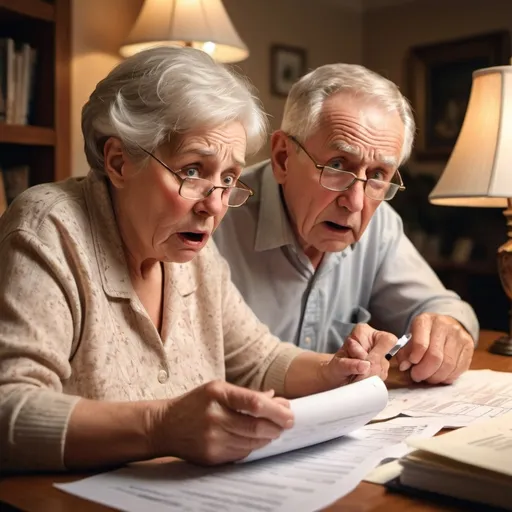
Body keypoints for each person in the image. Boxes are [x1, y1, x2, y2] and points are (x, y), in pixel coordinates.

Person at [0, 48, 397, 474]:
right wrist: (160, 427)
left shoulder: (192, 253)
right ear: (118, 161)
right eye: (193, 170)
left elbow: (258, 358)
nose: (215, 206)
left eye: (228, 179)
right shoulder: (49, 227)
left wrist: (337, 369)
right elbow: (10, 407)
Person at [214, 63, 478, 387]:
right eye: (338, 166)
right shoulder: (213, 218)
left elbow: (440, 306)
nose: (355, 202)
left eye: (378, 175)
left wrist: (450, 328)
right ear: (283, 157)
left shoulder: (379, 225)